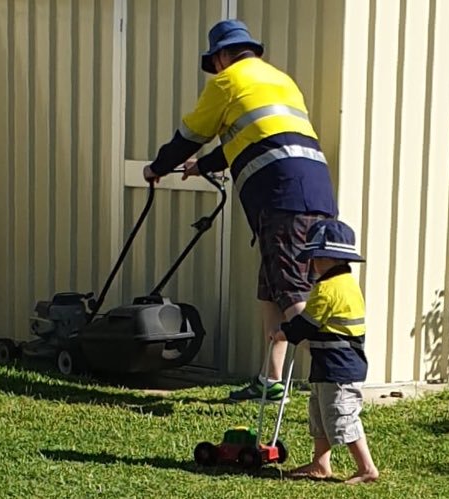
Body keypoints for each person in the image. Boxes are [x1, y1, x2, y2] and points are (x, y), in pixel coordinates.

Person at [142, 19, 338, 402]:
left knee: (291, 289)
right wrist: (205, 165)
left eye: (214, 62)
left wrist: (157, 168)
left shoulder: (227, 82)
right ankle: (271, 379)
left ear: (221, 57)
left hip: (282, 198)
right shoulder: (280, 80)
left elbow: (189, 136)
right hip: (313, 190)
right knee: (271, 288)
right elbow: (254, 137)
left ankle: (334, 378)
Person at [280, 219, 379, 485]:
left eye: (315, 258)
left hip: (339, 366)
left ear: (328, 259)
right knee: (320, 413)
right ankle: (320, 463)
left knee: (341, 415)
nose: (312, 264)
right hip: (330, 364)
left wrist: (284, 332)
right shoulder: (347, 282)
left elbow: (307, 324)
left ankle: (366, 467)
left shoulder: (327, 289)